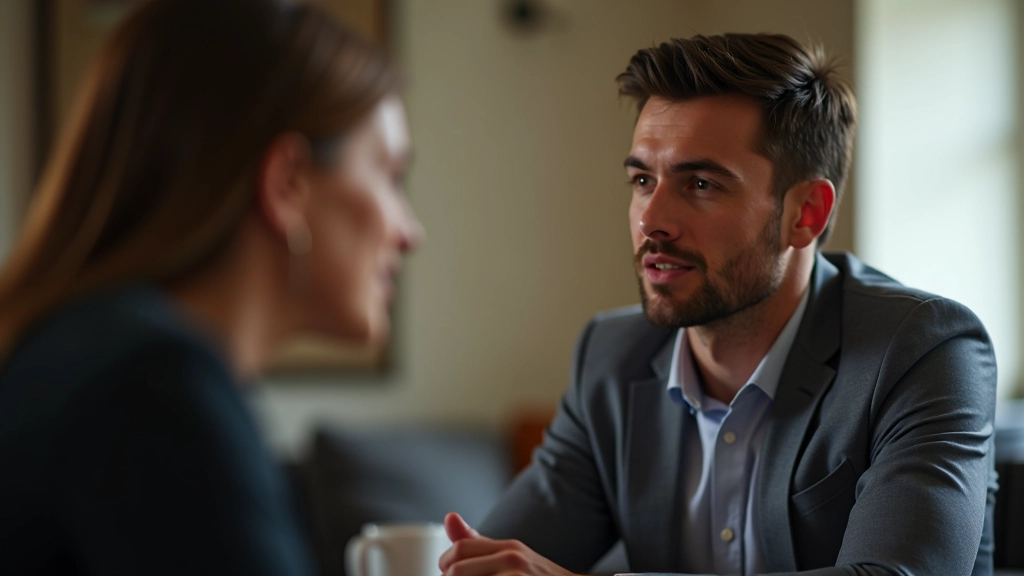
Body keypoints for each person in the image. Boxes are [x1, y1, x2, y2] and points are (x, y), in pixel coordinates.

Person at [440, 33, 997, 576]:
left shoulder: (920, 351)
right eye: (641, 179)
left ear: (805, 213)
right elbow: (503, 557)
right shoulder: (611, 359)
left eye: (701, 184)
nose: (650, 220)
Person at [0, 0, 422, 574]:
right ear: (288, 185)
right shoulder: (155, 389)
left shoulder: (81, 353)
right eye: (390, 176)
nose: (410, 232)